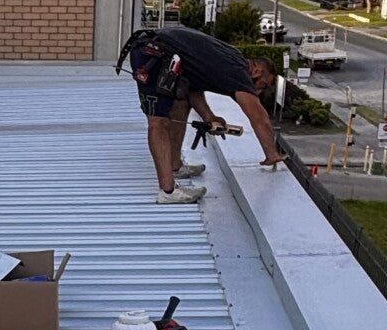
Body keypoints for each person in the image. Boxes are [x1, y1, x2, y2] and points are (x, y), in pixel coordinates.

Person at [118, 25, 286, 200]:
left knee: (182, 103)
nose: (259, 92)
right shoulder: (238, 72)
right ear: (257, 71)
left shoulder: (231, 61)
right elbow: (259, 117)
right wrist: (272, 154)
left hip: (162, 51)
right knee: (158, 122)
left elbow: (192, 87)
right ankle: (168, 192)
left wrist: (209, 116)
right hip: (152, 53)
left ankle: (175, 166)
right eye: (263, 85)